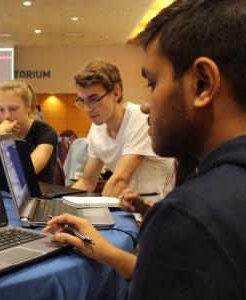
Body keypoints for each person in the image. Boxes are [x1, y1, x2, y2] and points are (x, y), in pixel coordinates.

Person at [45, 1, 246, 298]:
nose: (147, 105)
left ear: (203, 83)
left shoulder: (187, 217)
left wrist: (171, 220)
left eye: (152, 83)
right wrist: (108, 251)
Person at [71, 58, 174, 201]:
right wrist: (62, 206)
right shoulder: (97, 129)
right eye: (82, 101)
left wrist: (99, 212)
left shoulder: (140, 118)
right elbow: (87, 182)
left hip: (159, 207)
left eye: (94, 99)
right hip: (129, 207)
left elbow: (119, 180)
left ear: (116, 94)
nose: (87, 109)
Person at [0, 79, 58, 184]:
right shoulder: (1, 131)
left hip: (40, 197)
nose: (6, 116)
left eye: (13, 108)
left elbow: (22, 175)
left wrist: (3, 140)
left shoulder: (46, 133)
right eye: (1, 110)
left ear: (28, 107)